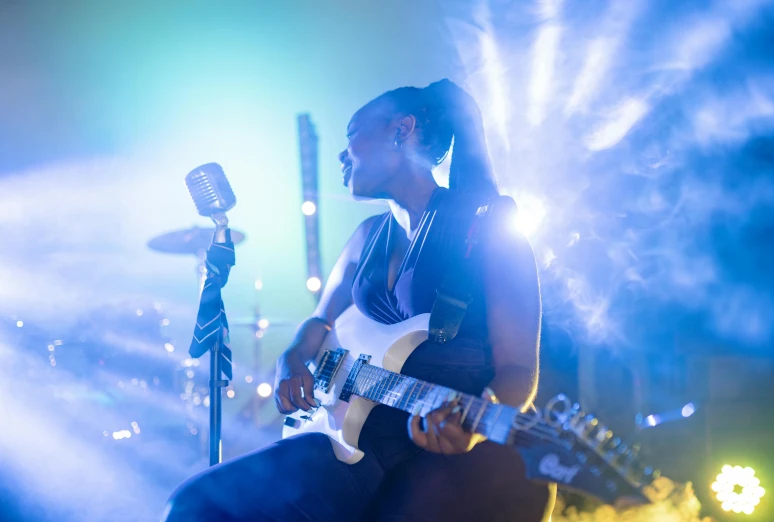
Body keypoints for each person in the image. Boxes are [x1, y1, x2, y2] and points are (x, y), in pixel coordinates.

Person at [163, 79, 555, 522]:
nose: (341, 155)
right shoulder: (366, 236)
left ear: (401, 130)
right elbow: (319, 323)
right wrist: (293, 358)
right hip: (347, 441)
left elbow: (519, 370)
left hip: (453, 457)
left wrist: (470, 424)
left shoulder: (488, 227)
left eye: (352, 135)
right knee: (195, 507)